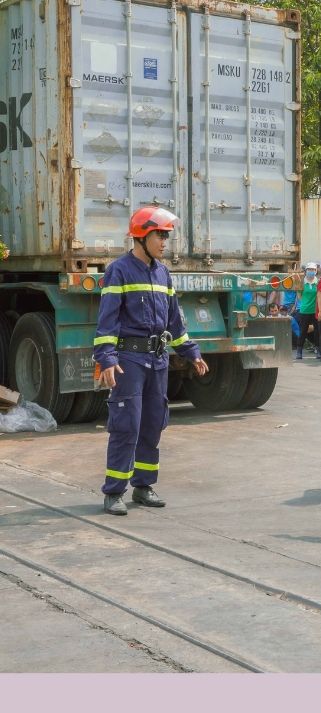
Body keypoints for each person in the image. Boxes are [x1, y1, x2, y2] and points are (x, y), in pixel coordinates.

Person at [93, 207, 209, 516]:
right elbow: (106, 321)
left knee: (152, 424)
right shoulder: (119, 270)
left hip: (157, 360)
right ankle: (114, 491)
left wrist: (192, 352)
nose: (164, 242)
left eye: (166, 236)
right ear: (141, 236)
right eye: (160, 235)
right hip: (128, 361)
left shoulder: (162, 273)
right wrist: (106, 357)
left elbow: (175, 322)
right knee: (126, 424)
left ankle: (143, 487)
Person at [296, 262, 319, 360]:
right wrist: (305, 303)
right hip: (304, 310)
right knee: (303, 330)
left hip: (315, 310)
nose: (311, 271)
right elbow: (299, 295)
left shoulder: (318, 282)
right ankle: (299, 350)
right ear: (306, 271)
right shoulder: (302, 282)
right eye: (309, 269)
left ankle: (318, 349)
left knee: (317, 330)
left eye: (313, 269)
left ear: (316, 271)